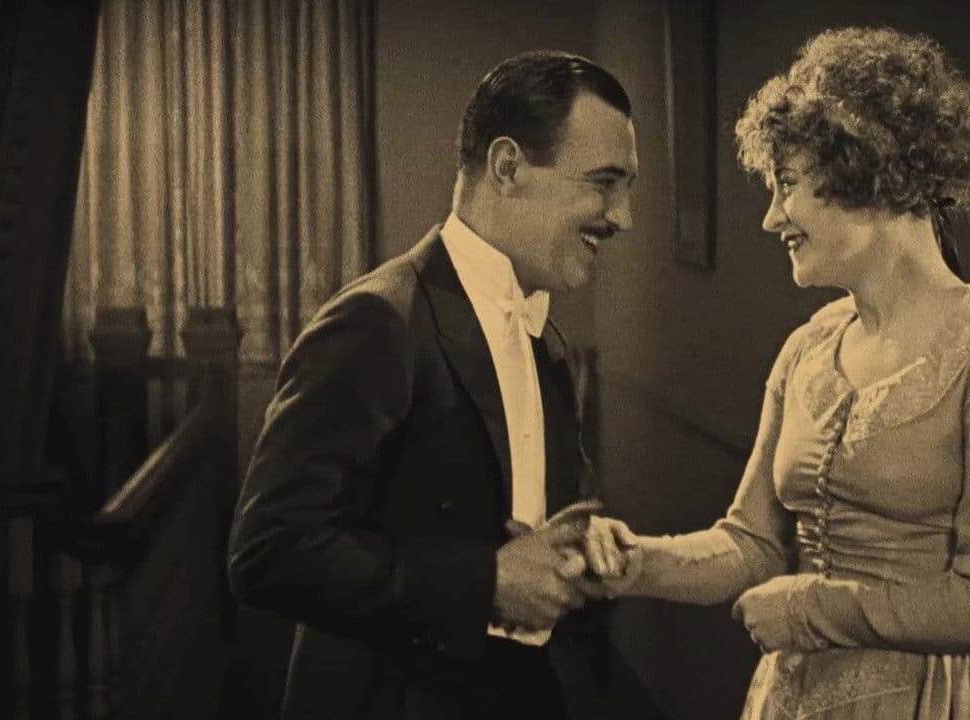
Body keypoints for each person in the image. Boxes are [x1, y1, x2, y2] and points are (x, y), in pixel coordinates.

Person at [584, 27, 970, 718]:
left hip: (932, 700)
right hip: (801, 695)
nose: (770, 218)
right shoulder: (808, 350)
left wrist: (810, 609)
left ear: (866, 172)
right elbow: (751, 543)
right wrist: (634, 562)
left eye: (787, 186)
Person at [228, 51, 663, 720]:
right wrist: (486, 581)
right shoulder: (377, 321)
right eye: (605, 182)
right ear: (507, 166)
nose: (623, 216)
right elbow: (268, 551)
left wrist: (575, 544)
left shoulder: (545, 337)